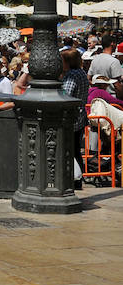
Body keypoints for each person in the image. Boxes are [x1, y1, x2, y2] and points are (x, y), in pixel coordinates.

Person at [60, 48, 89, 187]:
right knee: (76, 149)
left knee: (69, 149)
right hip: (80, 116)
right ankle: (78, 177)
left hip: (72, 118)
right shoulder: (82, 73)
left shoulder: (72, 75)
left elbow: (66, 94)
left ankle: (75, 178)